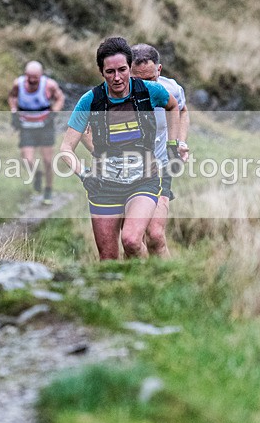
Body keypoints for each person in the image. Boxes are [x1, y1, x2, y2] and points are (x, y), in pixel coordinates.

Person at [60, 37, 187, 260]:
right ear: (101, 72)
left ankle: (153, 283)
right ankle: (126, 289)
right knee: (108, 257)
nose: (117, 77)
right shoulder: (91, 101)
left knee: (133, 239)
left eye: (122, 70)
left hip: (145, 179)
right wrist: (86, 173)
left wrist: (173, 145)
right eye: (110, 71)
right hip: (104, 185)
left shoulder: (151, 91)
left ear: (130, 67)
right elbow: (66, 148)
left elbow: (175, 106)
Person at [130, 43, 190, 258]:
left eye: (150, 79)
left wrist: (180, 142)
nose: (145, 86)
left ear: (159, 70)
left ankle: (169, 280)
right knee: (133, 239)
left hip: (161, 166)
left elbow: (182, 112)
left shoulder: (171, 89)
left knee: (155, 234)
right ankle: (140, 283)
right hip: (127, 170)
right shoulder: (116, 93)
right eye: (138, 80)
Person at [8, 60, 65, 206]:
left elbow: (60, 98)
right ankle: (37, 174)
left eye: (36, 77)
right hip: (26, 126)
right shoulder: (18, 84)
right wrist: (14, 112)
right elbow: (12, 97)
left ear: (41, 75)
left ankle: (48, 190)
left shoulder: (49, 85)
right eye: (30, 77)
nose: (32, 80)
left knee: (47, 161)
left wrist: (53, 113)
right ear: (25, 74)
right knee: (27, 159)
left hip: (45, 126)